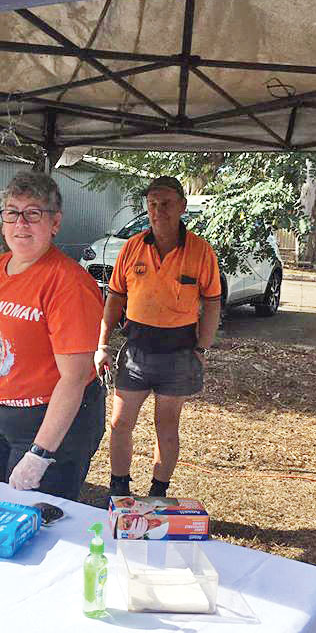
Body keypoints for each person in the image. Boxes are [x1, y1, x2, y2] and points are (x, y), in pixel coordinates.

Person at [0, 171, 105, 501]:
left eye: (33, 213)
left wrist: (41, 453)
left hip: (47, 421)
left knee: (34, 521)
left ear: (54, 223)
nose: (21, 223)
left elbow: (74, 378)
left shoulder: (68, 284)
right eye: (12, 212)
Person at [94, 176, 221, 498]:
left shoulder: (201, 252)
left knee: (166, 428)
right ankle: (119, 487)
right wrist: (102, 344)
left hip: (179, 355)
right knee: (120, 423)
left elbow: (212, 302)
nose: (158, 210)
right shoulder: (133, 247)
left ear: (182, 206)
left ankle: (158, 492)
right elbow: (115, 298)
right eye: (152, 204)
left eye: (166, 203)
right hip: (136, 352)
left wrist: (202, 349)